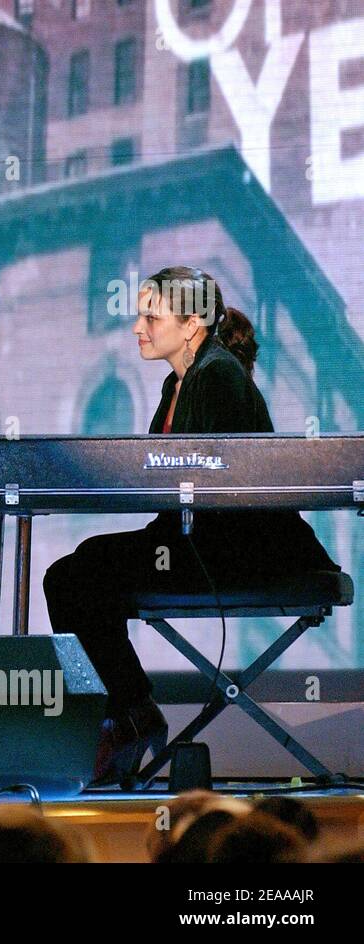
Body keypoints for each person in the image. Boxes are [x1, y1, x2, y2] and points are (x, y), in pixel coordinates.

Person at [43, 266, 338, 787]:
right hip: (189, 541)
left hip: (233, 551)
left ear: (192, 323)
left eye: (151, 316)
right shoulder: (175, 382)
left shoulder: (217, 374)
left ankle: (131, 713)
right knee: (76, 571)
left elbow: (206, 479)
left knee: (75, 576)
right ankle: (130, 709)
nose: (138, 327)